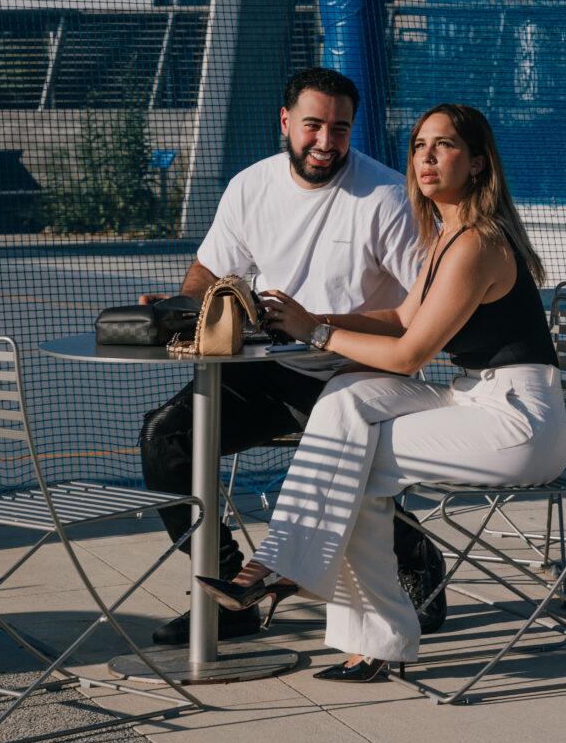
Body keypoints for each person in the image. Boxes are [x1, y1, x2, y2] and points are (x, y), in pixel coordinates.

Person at [196, 102, 566, 682]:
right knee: (347, 400)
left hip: (519, 422)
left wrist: (317, 332)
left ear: (477, 163)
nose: (426, 157)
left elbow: (409, 354)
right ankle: (325, 606)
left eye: (444, 145)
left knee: (351, 466)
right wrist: (310, 315)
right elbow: (401, 317)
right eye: (419, 145)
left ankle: (297, 578)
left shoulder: (477, 244)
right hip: (477, 398)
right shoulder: (448, 237)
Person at [139, 67, 420, 646]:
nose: (325, 141)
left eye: (339, 129)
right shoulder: (251, 186)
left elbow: (422, 309)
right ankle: (226, 592)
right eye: (313, 125)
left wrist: (318, 327)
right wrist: (181, 307)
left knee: (344, 466)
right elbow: (211, 273)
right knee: (164, 438)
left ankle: (416, 561)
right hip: (272, 370)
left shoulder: (389, 196)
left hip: (355, 375)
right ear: (286, 121)